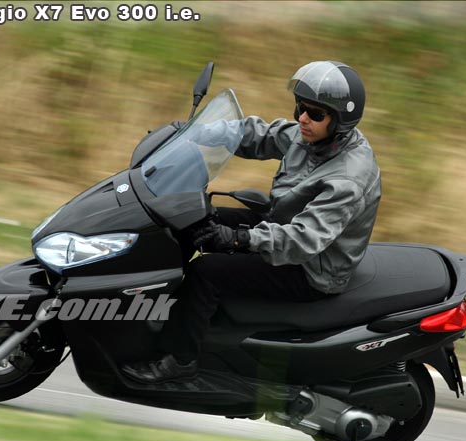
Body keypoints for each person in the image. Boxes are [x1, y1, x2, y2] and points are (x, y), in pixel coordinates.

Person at [122, 61, 382, 383]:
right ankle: (150, 308)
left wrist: (239, 239)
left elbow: (304, 240)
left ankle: (180, 360)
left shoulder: (349, 178)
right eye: (301, 107)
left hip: (311, 266)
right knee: (189, 220)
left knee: (207, 272)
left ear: (340, 122)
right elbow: (257, 134)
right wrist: (191, 132)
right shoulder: (312, 137)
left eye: (315, 113)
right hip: (280, 226)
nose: (303, 118)